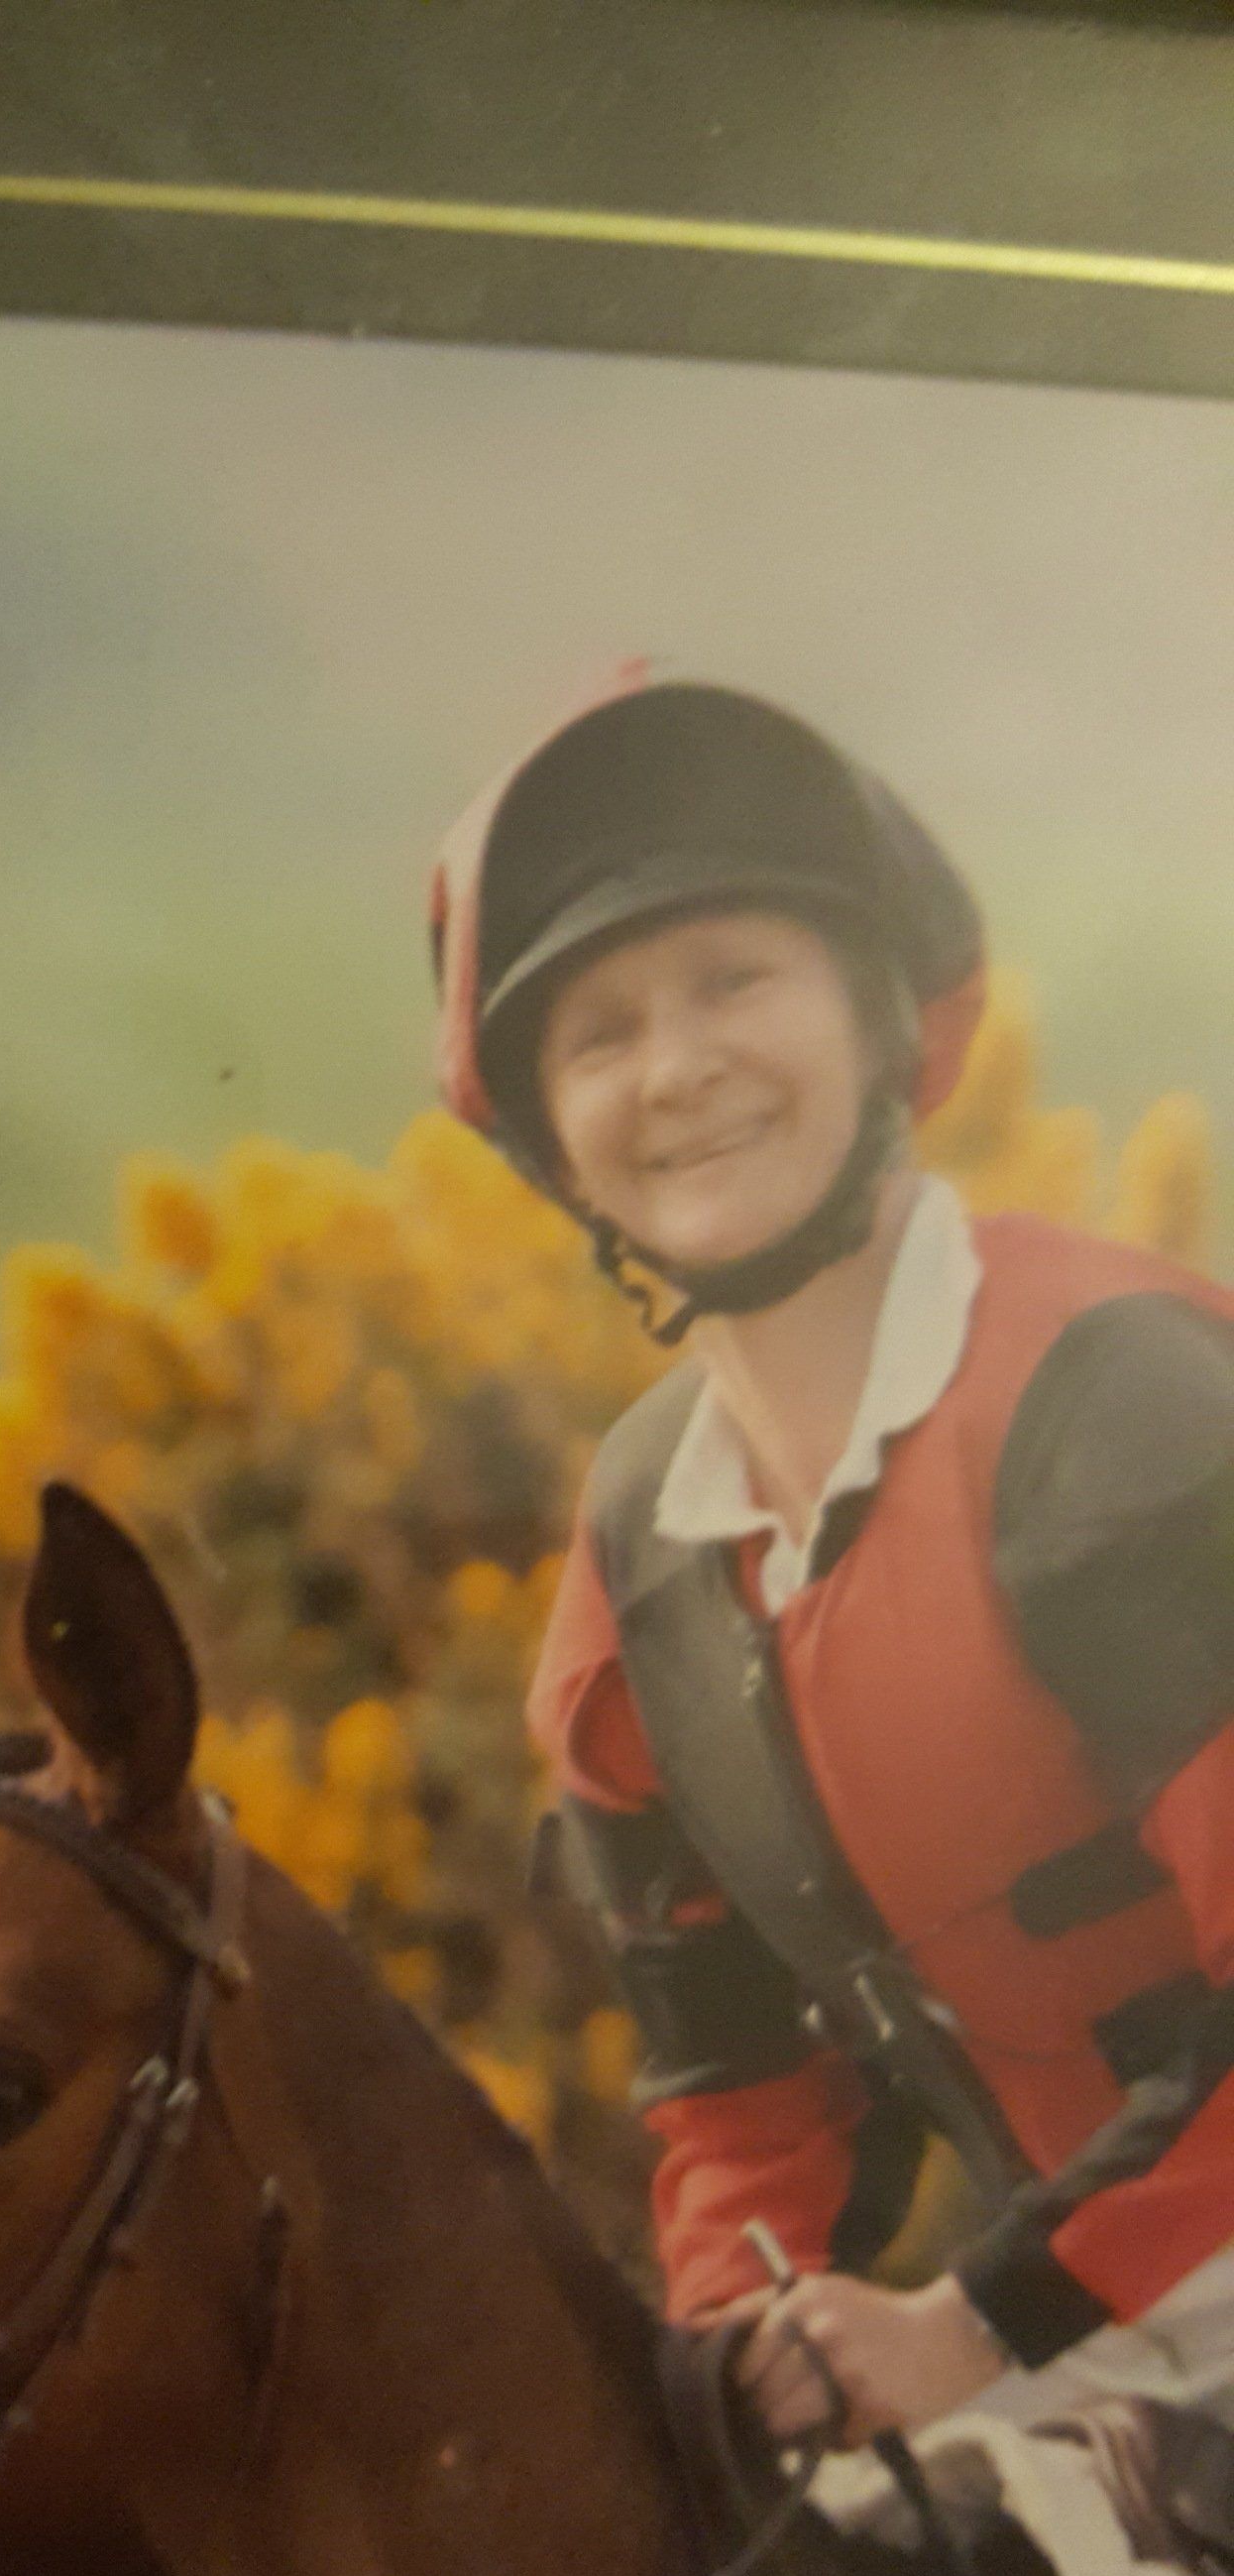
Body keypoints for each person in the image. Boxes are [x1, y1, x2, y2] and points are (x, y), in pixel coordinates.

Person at [429, 676, 1234, 2470]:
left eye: (735, 979)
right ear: (551, 1140)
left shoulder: (1124, 1407)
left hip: (1064, 2315)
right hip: (1096, 2344)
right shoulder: (636, 1570)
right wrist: (743, 2358)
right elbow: (738, 2105)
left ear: (882, 1023)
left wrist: (972, 2323)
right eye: (600, 1031)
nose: (677, 1067)